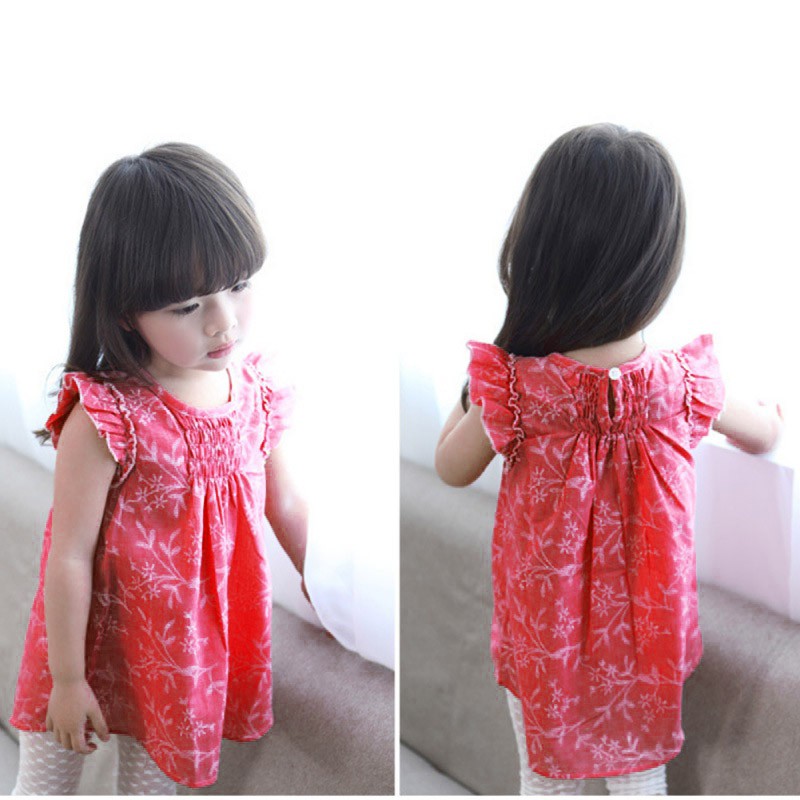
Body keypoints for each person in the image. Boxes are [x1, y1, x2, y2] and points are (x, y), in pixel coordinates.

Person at [435, 124, 782, 796]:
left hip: (546, 634)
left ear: (537, 251)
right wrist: (771, 413)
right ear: (657, 264)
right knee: (641, 779)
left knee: (544, 779)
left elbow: (452, 467)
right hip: (646, 641)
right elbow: (764, 434)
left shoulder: (517, 387)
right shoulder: (681, 382)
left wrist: (475, 388)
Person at [9, 143, 307, 794]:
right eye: (186, 306)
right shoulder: (107, 414)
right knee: (45, 786)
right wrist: (67, 680)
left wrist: (333, 597)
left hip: (178, 661)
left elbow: (285, 505)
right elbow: (69, 555)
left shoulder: (256, 396)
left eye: (238, 286)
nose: (223, 322)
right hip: (84, 646)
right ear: (125, 312)